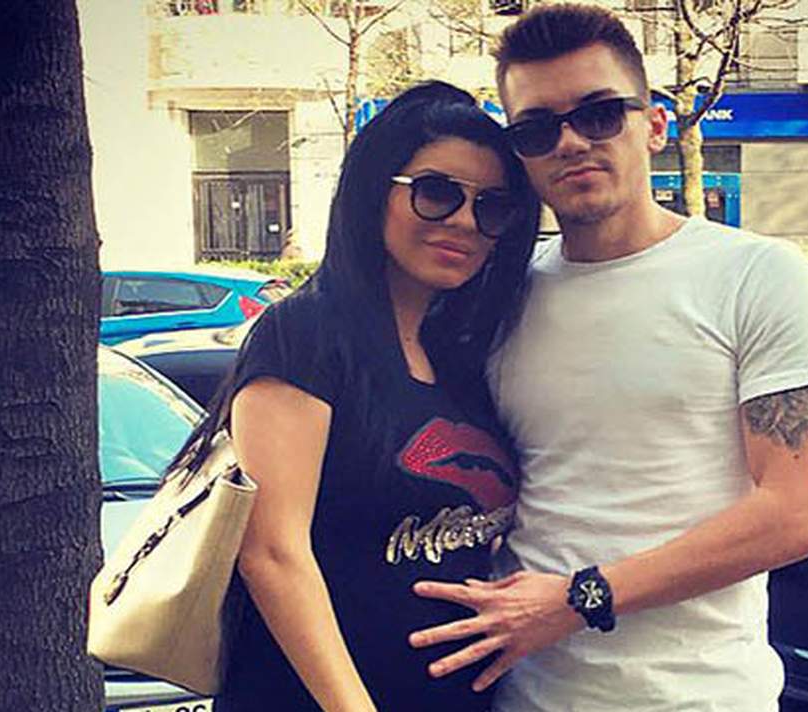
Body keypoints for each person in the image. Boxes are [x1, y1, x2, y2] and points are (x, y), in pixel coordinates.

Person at [408, 6, 808, 712]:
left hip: (698, 699)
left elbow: (802, 513)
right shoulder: (500, 293)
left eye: (599, 114)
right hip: (521, 695)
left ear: (656, 124)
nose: (570, 142)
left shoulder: (757, 274)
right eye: (536, 128)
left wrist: (576, 600)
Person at [167, 80, 540, 712]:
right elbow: (272, 553)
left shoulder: (466, 353)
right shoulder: (308, 334)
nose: (464, 221)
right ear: (374, 191)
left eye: (492, 207)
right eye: (436, 193)